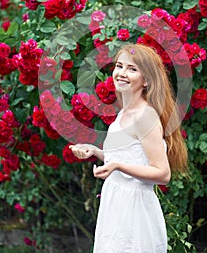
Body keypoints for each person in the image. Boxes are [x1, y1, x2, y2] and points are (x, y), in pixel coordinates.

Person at [70, 43, 188, 253]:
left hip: (134, 212)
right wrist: (97, 152)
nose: (122, 73)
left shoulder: (145, 116)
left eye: (132, 69)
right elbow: (132, 156)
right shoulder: (124, 112)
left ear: (147, 81)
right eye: (119, 66)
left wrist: (117, 166)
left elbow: (162, 173)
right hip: (115, 206)